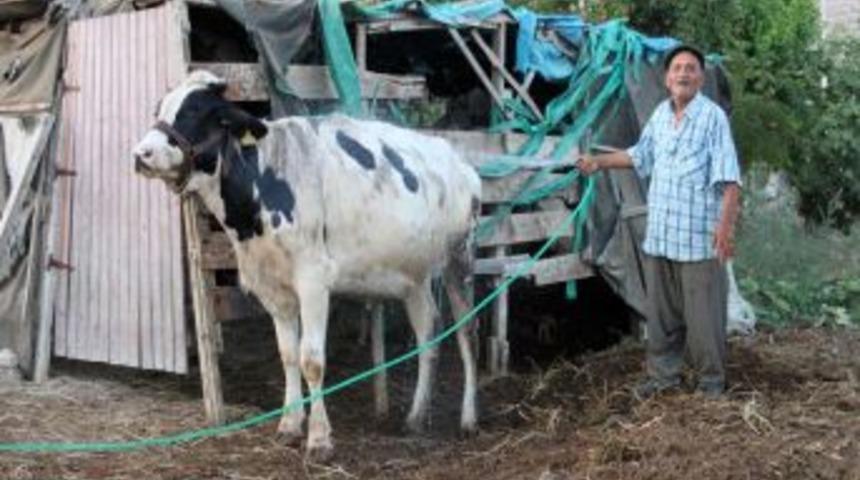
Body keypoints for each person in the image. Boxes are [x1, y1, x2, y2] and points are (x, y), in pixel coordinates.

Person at [577, 45, 742, 399]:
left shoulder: (712, 118)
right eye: (677, 68)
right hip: (663, 237)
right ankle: (662, 377)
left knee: (704, 321)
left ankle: (710, 384)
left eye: (691, 68)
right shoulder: (660, 116)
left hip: (699, 241)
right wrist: (599, 163)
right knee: (662, 319)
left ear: (700, 77)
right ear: (667, 79)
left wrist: (725, 230)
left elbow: (730, 180)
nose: (683, 74)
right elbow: (640, 156)